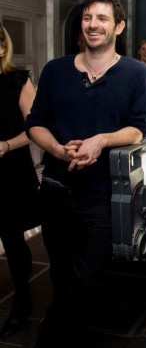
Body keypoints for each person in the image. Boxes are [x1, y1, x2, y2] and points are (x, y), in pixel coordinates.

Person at [24, 0, 146, 347]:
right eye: (87, 18)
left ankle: (55, 333)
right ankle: (63, 334)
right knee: (60, 273)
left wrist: (102, 140)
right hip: (54, 189)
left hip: (99, 195)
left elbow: (139, 128)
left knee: (87, 277)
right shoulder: (56, 70)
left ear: (119, 27)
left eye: (102, 18)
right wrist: (56, 149)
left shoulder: (136, 73)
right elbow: (35, 123)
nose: (93, 25)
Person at [0, 24, 39, 340]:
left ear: (2, 47)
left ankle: (22, 302)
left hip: (9, 170)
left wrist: (5, 145)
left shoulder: (18, 81)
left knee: (12, 237)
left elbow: (37, 128)